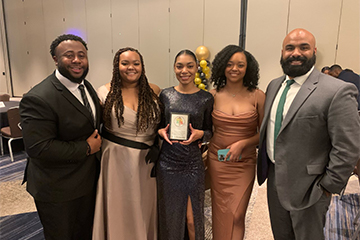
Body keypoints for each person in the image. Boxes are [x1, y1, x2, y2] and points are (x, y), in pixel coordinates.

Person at [257, 28, 360, 240]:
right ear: (282, 52)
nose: (296, 53)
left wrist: (327, 186)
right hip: (275, 180)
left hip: (311, 187)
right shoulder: (274, 86)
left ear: (314, 51)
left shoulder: (337, 90)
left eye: (303, 47)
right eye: (290, 48)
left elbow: (348, 146)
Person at [19, 34, 102, 240]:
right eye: (69, 55)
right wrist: (86, 148)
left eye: (81, 55)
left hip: (86, 181)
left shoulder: (86, 86)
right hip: (57, 189)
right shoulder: (38, 97)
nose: (77, 60)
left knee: (85, 234)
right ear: (55, 59)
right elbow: (39, 148)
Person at [92, 47, 162, 240]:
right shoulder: (104, 92)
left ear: (142, 66)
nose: (131, 67)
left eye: (136, 63)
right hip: (116, 160)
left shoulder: (154, 91)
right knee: (119, 206)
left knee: (144, 206)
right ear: (117, 66)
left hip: (147, 162)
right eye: (125, 63)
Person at [207, 45, 265, 240]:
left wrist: (245, 143)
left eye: (240, 65)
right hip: (218, 161)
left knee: (237, 214)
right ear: (222, 66)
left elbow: (264, 132)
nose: (234, 69)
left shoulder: (258, 96)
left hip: (244, 163)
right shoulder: (213, 96)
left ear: (247, 68)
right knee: (221, 212)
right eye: (230, 64)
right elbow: (206, 129)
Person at [157, 49, 214, 240]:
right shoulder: (165, 95)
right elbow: (158, 126)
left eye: (190, 66)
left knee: (192, 219)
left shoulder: (206, 98)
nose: (184, 71)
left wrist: (201, 134)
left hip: (192, 164)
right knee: (170, 217)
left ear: (197, 68)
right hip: (168, 163)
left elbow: (210, 131)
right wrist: (160, 131)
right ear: (174, 68)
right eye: (179, 66)